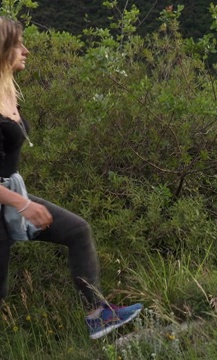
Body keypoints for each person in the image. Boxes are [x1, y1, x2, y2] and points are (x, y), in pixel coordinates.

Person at [0, 17, 142, 340]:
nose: (26, 50)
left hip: (11, 194)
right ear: (3, 49)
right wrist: (24, 205)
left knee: (77, 231)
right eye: (19, 44)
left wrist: (21, 200)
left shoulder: (9, 90)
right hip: (11, 200)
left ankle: (98, 317)